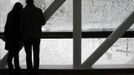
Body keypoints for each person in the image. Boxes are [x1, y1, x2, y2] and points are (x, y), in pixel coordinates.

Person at [20, 0, 46, 73]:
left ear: (26, 2)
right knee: (36, 54)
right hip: (36, 36)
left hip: (26, 36)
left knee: (28, 55)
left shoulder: (22, 12)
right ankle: (36, 70)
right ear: (33, 1)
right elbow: (43, 22)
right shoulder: (38, 11)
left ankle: (29, 70)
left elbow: (21, 25)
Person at [4, 2, 23, 74]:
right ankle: (17, 69)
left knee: (10, 54)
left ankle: (11, 69)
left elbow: (7, 26)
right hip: (17, 38)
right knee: (16, 55)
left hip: (10, 37)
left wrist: (6, 36)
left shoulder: (10, 14)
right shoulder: (20, 15)